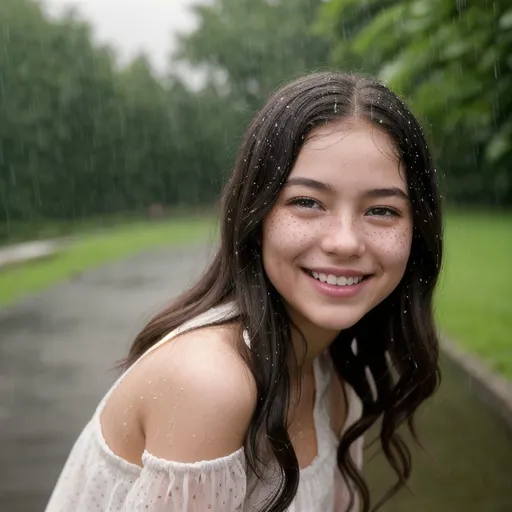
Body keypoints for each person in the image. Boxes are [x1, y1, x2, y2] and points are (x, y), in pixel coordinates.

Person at [45, 71, 443, 512]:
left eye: (382, 210)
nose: (345, 242)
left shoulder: (335, 371)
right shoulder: (210, 383)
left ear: (417, 232)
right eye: (307, 202)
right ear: (255, 216)